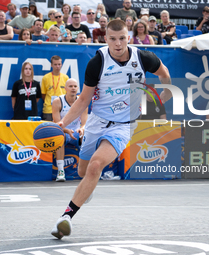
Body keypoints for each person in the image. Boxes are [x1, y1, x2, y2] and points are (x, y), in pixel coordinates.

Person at [50, 19, 172, 239]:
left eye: (122, 38)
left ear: (129, 37)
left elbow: (164, 74)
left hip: (123, 126)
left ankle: (65, 218)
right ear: (105, 39)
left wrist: (165, 94)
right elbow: (83, 99)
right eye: (113, 39)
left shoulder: (143, 58)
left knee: (96, 166)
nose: (118, 44)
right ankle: (87, 187)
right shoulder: (97, 62)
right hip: (97, 121)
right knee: (82, 172)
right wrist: (63, 123)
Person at [52, 78, 88, 182]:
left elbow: (84, 123)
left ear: (78, 89)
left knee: (87, 136)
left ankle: (86, 170)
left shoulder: (82, 101)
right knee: (59, 136)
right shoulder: (57, 101)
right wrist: (66, 131)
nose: (73, 88)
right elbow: (57, 124)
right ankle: (60, 171)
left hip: (76, 133)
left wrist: (81, 130)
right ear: (65, 88)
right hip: (63, 131)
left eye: (75, 86)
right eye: (70, 86)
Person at [41, 55, 69, 121]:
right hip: (48, 110)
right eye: (55, 64)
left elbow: (68, 94)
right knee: (48, 130)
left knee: (61, 129)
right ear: (51, 65)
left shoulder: (66, 78)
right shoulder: (45, 77)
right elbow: (43, 95)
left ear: (61, 64)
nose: (57, 66)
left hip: (62, 109)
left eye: (59, 64)